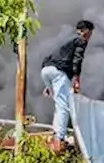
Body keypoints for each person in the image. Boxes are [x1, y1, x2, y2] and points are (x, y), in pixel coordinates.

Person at [39, 19, 93, 152]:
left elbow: (49, 57)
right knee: (63, 106)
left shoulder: (66, 39)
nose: (90, 36)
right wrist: (77, 78)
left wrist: (48, 85)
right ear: (86, 31)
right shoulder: (80, 40)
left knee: (59, 104)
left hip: (46, 70)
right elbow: (77, 59)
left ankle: (57, 133)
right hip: (59, 72)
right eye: (90, 33)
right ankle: (59, 138)